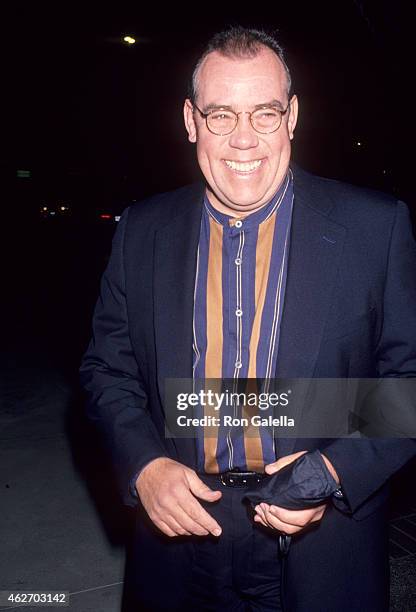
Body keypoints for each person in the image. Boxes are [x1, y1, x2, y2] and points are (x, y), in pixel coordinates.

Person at [79, 26, 416, 612]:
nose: (243, 141)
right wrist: (144, 467)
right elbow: (109, 370)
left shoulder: (375, 229)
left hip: (322, 544)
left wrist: (333, 469)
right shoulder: (141, 231)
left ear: (292, 117)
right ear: (190, 120)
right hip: (179, 540)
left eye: (263, 114)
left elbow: (408, 385)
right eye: (220, 116)